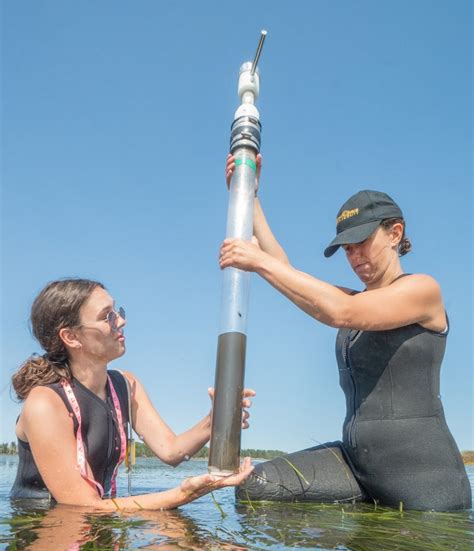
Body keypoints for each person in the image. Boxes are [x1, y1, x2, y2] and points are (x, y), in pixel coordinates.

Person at [221, 154, 471, 511]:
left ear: (395, 233)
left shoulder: (423, 291)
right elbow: (290, 275)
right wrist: (251, 197)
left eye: (361, 243)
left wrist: (257, 260)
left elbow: (342, 312)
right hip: (357, 466)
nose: (354, 257)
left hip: (425, 486)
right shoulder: (356, 299)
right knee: (257, 487)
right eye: (347, 250)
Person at [11, 278, 255, 510]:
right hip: (44, 529)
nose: (121, 321)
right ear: (71, 337)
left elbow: (171, 451)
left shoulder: (126, 384)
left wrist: (215, 420)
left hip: (99, 517)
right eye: (107, 316)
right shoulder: (44, 403)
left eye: (117, 311)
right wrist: (183, 494)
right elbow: (83, 506)